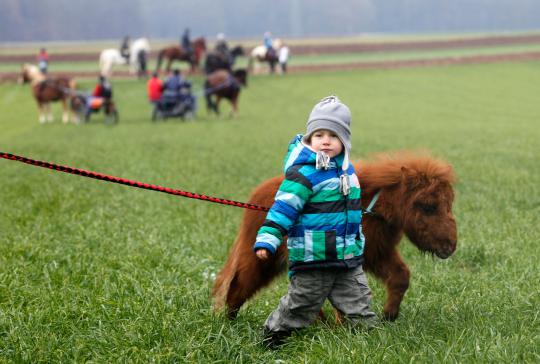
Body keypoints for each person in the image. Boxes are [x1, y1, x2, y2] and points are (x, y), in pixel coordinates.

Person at [253, 96, 378, 348]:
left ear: (344, 141)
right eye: (319, 134)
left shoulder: (347, 171)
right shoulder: (304, 174)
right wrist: (268, 238)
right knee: (302, 303)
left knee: (359, 300)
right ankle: (273, 335)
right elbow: (283, 208)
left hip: (346, 257)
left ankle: (368, 340)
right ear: (310, 139)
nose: (326, 140)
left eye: (333, 135)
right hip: (314, 256)